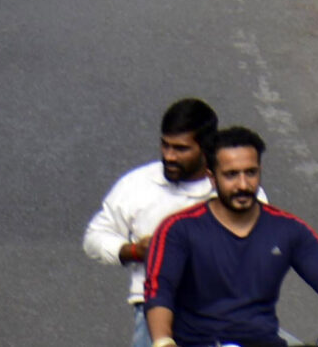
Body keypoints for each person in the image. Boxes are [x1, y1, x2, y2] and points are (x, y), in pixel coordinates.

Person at [143, 126, 318, 347]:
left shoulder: (288, 229)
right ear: (212, 177)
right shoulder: (178, 229)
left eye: (250, 173)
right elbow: (159, 289)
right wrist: (164, 341)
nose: (243, 184)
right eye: (231, 175)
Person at [84, 97, 225, 346]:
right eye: (165, 146)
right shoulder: (138, 184)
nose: (169, 156)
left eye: (181, 149)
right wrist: (136, 250)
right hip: (155, 313)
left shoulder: (234, 188)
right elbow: (95, 237)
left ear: (207, 149)